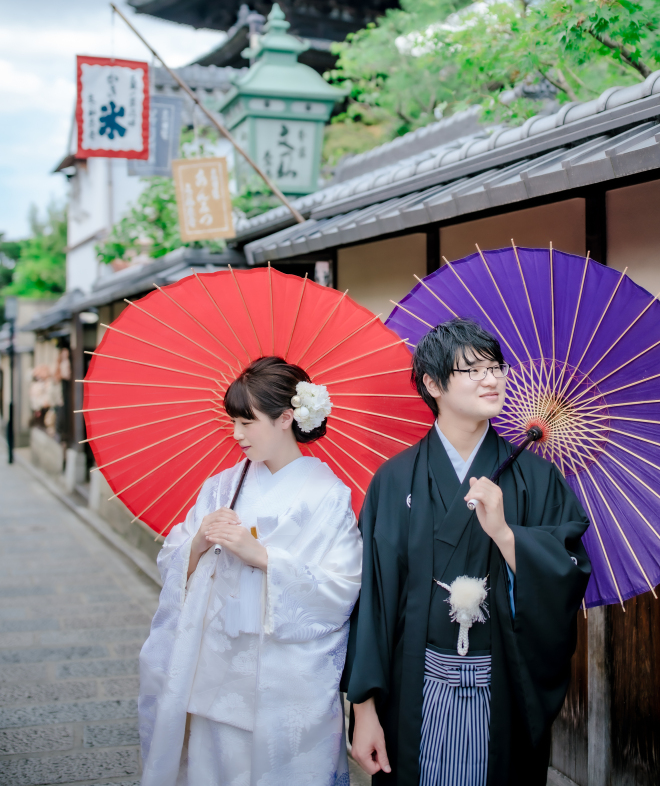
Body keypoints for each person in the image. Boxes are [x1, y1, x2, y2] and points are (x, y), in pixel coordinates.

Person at [344, 318, 591, 786]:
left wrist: (506, 535)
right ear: (433, 384)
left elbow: (568, 572)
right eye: (473, 370)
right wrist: (364, 709)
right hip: (412, 686)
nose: (491, 379)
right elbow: (372, 601)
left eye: (496, 367)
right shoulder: (393, 480)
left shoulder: (537, 479)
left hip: (502, 687)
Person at [138, 356, 362, 786]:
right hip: (217, 667)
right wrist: (199, 541)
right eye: (233, 422)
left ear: (286, 418)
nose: (236, 434)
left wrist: (263, 556)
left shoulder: (328, 496)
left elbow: (342, 587)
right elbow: (172, 560)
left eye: (247, 422)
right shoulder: (223, 486)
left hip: (286, 680)